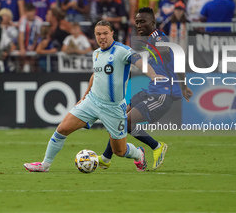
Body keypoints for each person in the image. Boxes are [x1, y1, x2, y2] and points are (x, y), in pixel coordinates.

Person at [24, 20, 163, 172]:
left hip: (113, 108)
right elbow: (96, 75)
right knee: (62, 128)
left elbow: (139, 61)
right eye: (98, 34)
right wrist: (84, 97)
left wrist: (153, 75)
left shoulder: (122, 50)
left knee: (119, 151)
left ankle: (138, 154)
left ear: (112, 34)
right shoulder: (96, 53)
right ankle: (45, 165)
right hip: (92, 101)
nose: (101, 37)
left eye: (105, 33)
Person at [98, 7, 193, 171]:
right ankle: (106, 158)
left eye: (143, 21)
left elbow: (177, 58)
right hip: (150, 90)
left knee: (125, 122)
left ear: (153, 22)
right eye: (137, 22)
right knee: (118, 120)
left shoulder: (158, 38)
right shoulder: (151, 39)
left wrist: (183, 86)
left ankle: (157, 146)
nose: (139, 25)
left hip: (162, 94)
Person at [18, 3, 43, 72]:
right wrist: (22, 48)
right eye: (28, 11)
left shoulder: (39, 21)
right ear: (25, 12)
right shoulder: (23, 20)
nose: (30, 14)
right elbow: (21, 34)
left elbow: (39, 36)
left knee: (33, 60)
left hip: (35, 45)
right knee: (22, 59)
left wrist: (34, 46)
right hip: (25, 43)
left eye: (32, 11)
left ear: (35, 11)